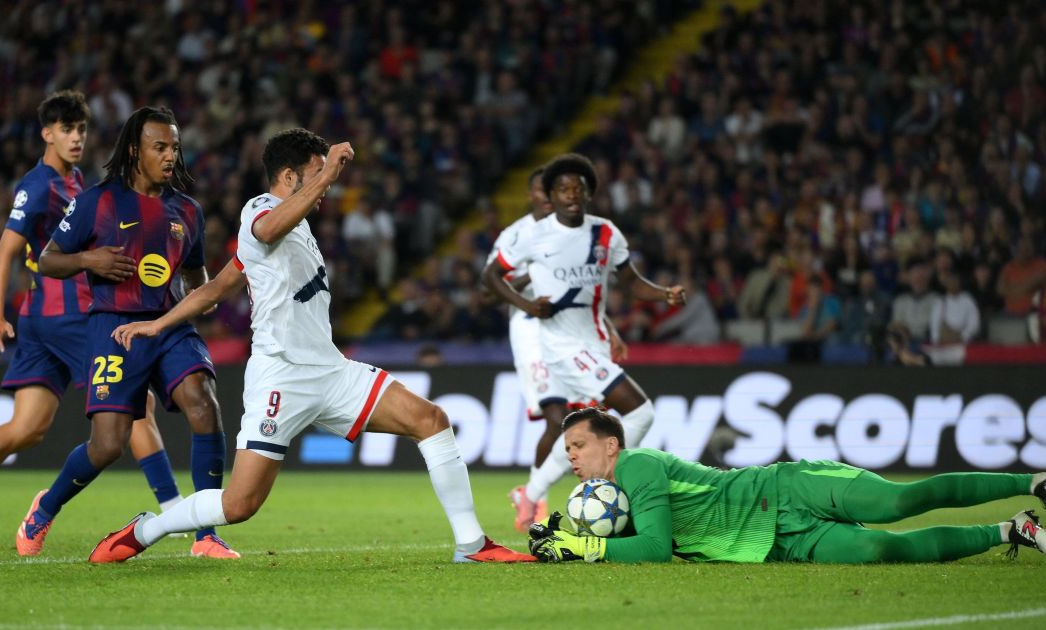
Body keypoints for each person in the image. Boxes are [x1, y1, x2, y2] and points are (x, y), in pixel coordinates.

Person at [88, 128, 534, 564]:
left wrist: (159, 322)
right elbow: (265, 232)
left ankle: (471, 545)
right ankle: (146, 529)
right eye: (317, 174)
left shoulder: (298, 227)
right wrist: (157, 326)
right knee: (239, 504)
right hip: (281, 375)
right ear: (288, 176)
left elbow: (217, 287)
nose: (328, 186)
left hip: (330, 371)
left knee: (431, 419)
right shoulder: (260, 210)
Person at [0, 91, 183, 543]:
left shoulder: (74, 181)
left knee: (28, 427)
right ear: (47, 134)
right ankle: (175, 510)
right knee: (136, 401)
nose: (76, 138)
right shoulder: (38, 186)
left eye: (81, 129)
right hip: (69, 315)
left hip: (42, 318)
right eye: (66, 130)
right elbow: (5, 252)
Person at [16, 106, 236, 559]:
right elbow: (48, 259)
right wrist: (88, 260)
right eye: (160, 147)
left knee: (203, 404)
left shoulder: (187, 210)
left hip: (167, 325)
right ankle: (45, 507)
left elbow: (195, 273)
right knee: (108, 444)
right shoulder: (97, 202)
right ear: (135, 151)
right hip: (114, 328)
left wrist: (206, 294)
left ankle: (207, 535)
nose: (171, 155)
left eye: (175, 147)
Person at [528, 408, 1046, 564]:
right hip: (777, 543)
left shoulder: (637, 466)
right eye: (567, 449)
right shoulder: (611, 497)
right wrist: (567, 538)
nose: (570, 455)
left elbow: (652, 549)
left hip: (785, 489)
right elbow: (637, 540)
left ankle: (1036, 481)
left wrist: (583, 546)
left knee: (899, 501)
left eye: (577, 445)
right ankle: (1009, 531)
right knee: (880, 550)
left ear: (611, 445)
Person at [481, 153, 684, 534]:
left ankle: (531, 494)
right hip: (561, 348)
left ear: (588, 193)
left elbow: (630, 282)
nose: (572, 195)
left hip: (594, 344)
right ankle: (607, 482)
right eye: (563, 189)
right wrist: (528, 305)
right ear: (550, 195)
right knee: (641, 413)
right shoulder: (530, 235)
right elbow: (490, 278)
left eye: (579, 188)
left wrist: (664, 294)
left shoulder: (606, 233)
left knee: (577, 431)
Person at [487, 165, 627, 532]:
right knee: (556, 418)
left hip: (573, 332)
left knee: (588, 416)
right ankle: (536, 497)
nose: (551, 198)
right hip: (532, 331)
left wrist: (609, 327)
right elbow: (488, 291)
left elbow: (583, 288)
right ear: (535, 195)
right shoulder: (517, 235)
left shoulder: (576, 234)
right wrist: (533, 273)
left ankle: (541, 491)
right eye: (543, 191)